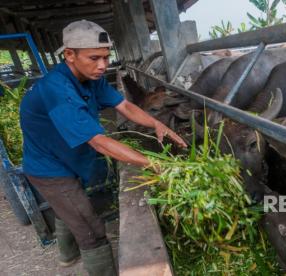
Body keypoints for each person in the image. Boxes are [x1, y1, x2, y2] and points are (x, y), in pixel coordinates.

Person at [19, 20, 187, 275]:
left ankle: (67, 255)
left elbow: (125, 107)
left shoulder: (91, 78)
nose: (102, 66)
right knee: (91, 229)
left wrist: (156, 124)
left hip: (69, 156)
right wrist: (153, 163)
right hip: (49, 168)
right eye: (94, 58)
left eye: (107, 57)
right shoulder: (57, 89)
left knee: (69, 209)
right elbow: (98, 141)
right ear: (69, 55)